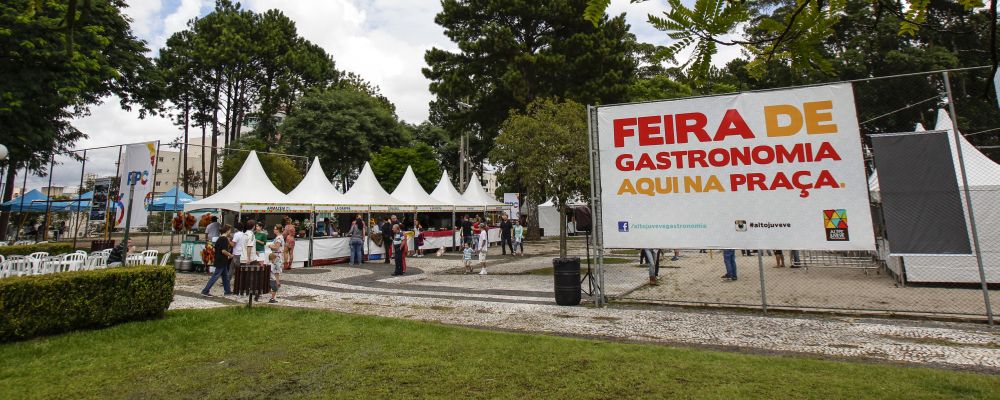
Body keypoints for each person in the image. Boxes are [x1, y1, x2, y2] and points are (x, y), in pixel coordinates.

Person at [202, 225, 234, 297]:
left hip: (221, 260)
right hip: (221, 260)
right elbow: (223, 251)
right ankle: (205, 290)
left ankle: (227, 291)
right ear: (227, 230)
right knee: (215, 276)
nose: (230, 232)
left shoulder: (220, 238)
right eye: (230, 230)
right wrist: (230, 255)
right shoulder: (224, 239)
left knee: (225, 276)